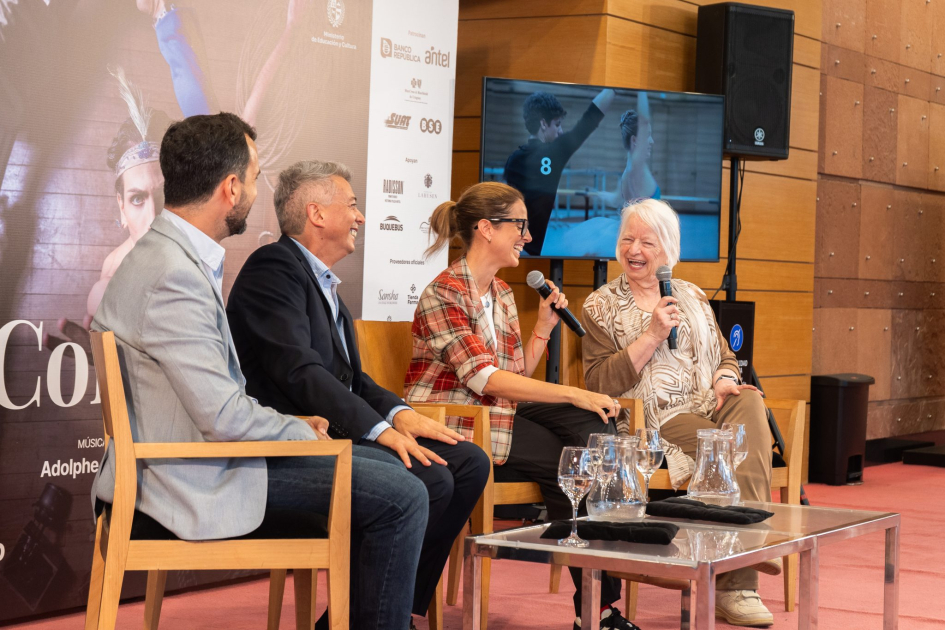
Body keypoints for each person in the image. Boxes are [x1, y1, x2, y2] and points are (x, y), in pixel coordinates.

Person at [89, 113, 428, 630]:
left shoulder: (168, 257)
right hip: (190, 477)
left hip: (192, 462)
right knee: (402, 493)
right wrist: (300, 429)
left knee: (390, 474)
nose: (253, 190)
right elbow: (223, 416)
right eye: (252, 177)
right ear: (230, 187)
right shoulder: (171, 275)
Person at [226, 160, 490, 628]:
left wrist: (401, 413)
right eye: (351, 205)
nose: (362, 217)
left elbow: (353, 379)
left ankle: (394, 608)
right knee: (428, 478)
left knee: (468, 462)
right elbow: (300, 372)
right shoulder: (273, 269)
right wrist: (380, 429)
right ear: (316, 214)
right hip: (293, 442)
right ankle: (373, 615)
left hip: (341, 432)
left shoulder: (322, 281)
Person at [406, 181, 640, 630]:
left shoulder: (503, 293)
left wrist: (543, 328)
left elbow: (517, 375)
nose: (528, 237)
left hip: (499, 411)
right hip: (459, 421)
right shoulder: (445, 293)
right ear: (485, 229)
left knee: (589, 431)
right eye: (520, 225)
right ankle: (600, 607)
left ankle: (599, 598)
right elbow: (486, 379)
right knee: (570, 459)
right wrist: (574, 390)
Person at [581, 198, 778, 627]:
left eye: (647, 242)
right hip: (657, 417)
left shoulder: (691, 294)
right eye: (627, 239)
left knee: (750, 402)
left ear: (668, 249)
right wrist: (652, 335)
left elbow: (727, 356)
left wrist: (726, 378)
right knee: (722, 444)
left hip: (711, 404)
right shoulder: (600, 306)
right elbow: (597, 382)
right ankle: (741, 578)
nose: (634, 249)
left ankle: (743, 554)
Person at [503, 88, 615, 255]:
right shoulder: (555, 152)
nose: (560, 130)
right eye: (557, 124)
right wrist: (613, 89)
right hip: (529, 251)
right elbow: (589, 121)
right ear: (543, 123)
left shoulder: (513, 159)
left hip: (510, 248)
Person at [617, 92, 660, 203]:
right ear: (635, 140)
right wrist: (642, 89)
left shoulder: (631, 169)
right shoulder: (635, 168)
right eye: (647, 135)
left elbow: (616, 199)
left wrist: (602, 196)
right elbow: (644, 120)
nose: (652, 141)